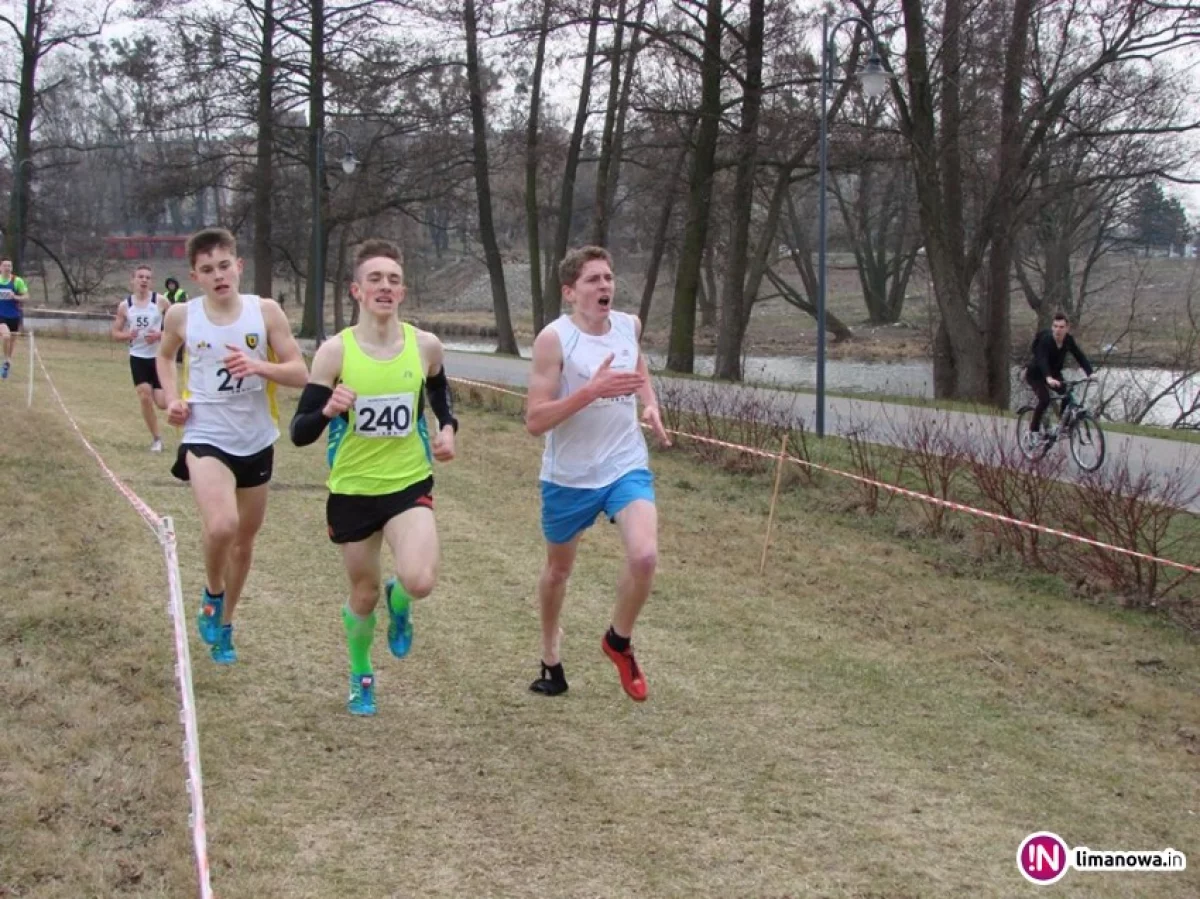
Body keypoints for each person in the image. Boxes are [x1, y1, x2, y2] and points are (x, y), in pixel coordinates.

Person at [290, 238, 458, 716]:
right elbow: (300, 433)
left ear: (402, 292)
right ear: (357, 291)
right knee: (362, 593)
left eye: (394, 280)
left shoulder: (425, 346)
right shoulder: (333, 353)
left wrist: (447, 428)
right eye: (375, 280)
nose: (385, 287)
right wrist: (328, 408)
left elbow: (440, 392)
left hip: (408, 483)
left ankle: (400, 600)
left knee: (420, 579)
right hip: (353, 492)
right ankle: (361, 672)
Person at [524, 245, 670, 702]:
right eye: (593, 280)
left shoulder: (628, 325)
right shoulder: (554, 339)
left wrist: (648, 401)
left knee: (644, 556)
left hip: (624, 463)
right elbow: (535, 421)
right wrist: (591, 391)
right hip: (569, 475)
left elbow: (637, 364)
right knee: (557, 572)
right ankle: (550, 656)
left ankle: (618, 640)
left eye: (608, 277)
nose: (605, 285)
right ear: (570, 292)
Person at [156, 227, 307, 664]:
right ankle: (212, 591)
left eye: (225, 266)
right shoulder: (183, 316)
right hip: (205, 435)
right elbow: (164, 357)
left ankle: (225, 622)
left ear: (239, 267)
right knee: (221, 525)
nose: (219, 275)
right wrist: (172, 399)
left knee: (244, 541)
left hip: (257, 439)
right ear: (195, 276)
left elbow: (300, 371)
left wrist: (259, 367)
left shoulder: (265, 312)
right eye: (208, 269)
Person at [111, 264, 171, 452]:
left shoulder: (161, 301)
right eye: (140, 277)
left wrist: (160, 335)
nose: (144, 280)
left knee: (162, 403)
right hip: (138, 357)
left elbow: (175, 327)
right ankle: (157, 439)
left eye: (147, 277)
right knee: (145, 396)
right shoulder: (125, 306)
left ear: (151, 281)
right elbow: (115, 332)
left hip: (159, 357)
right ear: (133, 280)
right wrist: (128, 334)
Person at [1024, 312, 1095, 444]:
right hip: (1036, 374)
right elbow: (1042, 360)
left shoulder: (1068, 340)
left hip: (1054, 374)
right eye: (1055, 326)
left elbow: (1079, 355)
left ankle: (1062, 425)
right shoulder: (1046, 340)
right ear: (1052, 327)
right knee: (1044, 399)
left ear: (1067, 328)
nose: (1058, 330)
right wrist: (1048, 377)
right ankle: (1033, 431)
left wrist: (1090, 373)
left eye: (1061, 327)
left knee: (1068, 396)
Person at [0, 258, 29, 380]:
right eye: (5, 265)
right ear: (0, 267)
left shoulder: (17, 281)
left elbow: (26, 297)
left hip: (14, 315)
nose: (7, 268)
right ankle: (6, 359)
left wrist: (15, 296)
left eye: (10, 266)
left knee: (12, 342)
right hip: (1, 315)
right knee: (6, 336)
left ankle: (7, 363)